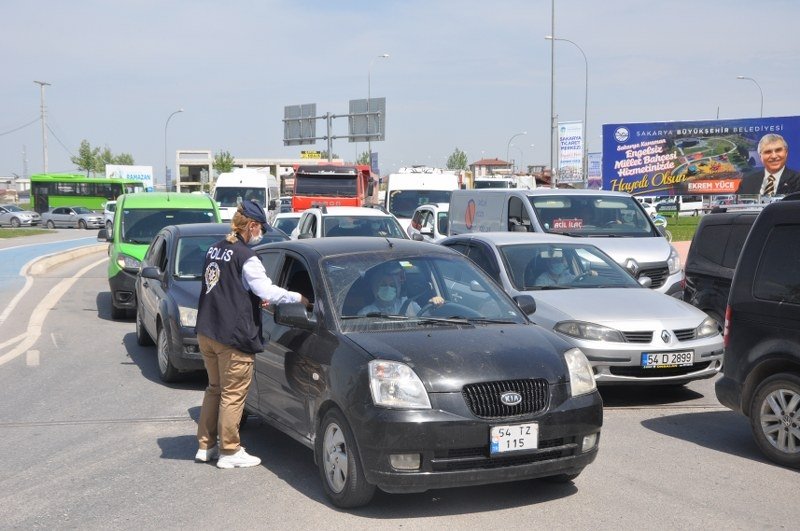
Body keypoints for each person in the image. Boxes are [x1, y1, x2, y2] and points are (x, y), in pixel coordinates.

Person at [194, 199, 309, 469]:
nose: (261, 234)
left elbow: (225, 287)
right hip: (232, 337)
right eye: (261, 229)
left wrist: (252, 299)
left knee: (215, 389)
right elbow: (268, 291)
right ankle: (230, 451)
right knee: (233, 394)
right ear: (252, 226)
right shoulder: (247, 257)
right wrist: (300, 299)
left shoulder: (215, 249)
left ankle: (206, 446)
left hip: (207, 331)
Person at [358, 263, 443, 316]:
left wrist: (435, 305)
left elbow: (427, 321)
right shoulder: (365, 314)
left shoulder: (409, 306)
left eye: (392, 285)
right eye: (383, 285)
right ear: (375, 287)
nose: (388, 288)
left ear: (398, 288)